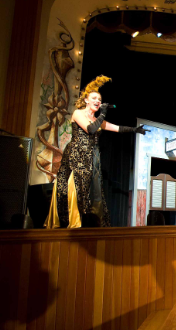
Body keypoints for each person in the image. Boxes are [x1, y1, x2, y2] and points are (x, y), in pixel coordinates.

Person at [45, 75, 147, 229]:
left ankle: (89, 222)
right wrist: (103, 114)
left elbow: (117, 128)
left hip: (92, 157)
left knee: (92, 192)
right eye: (94, 98)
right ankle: (73, 222)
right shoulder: (78, 114)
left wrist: (135, 129)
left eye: (99, 99)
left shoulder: (98, 119)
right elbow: (91, 129)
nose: (98, 101)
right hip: (77, 155)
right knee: (76, 187)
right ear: (86, 100)